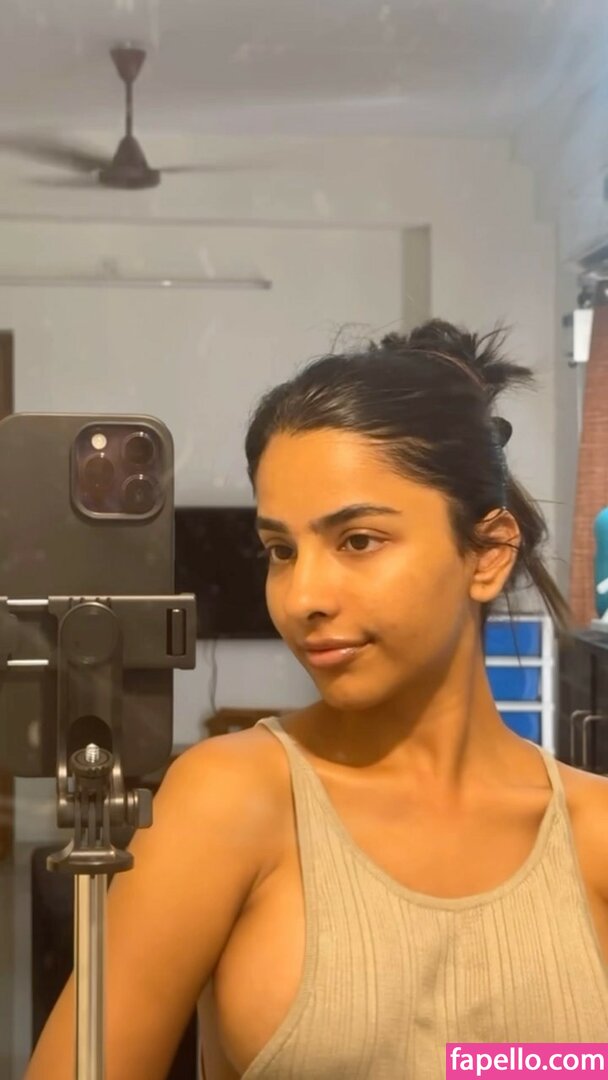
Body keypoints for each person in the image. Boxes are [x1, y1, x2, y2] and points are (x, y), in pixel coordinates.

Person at [26, 320, 608, 1080]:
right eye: (281, 550)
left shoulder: (594, 836)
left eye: (358, 541)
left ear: (488, 554)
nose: (302, 597)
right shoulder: (230, 803)